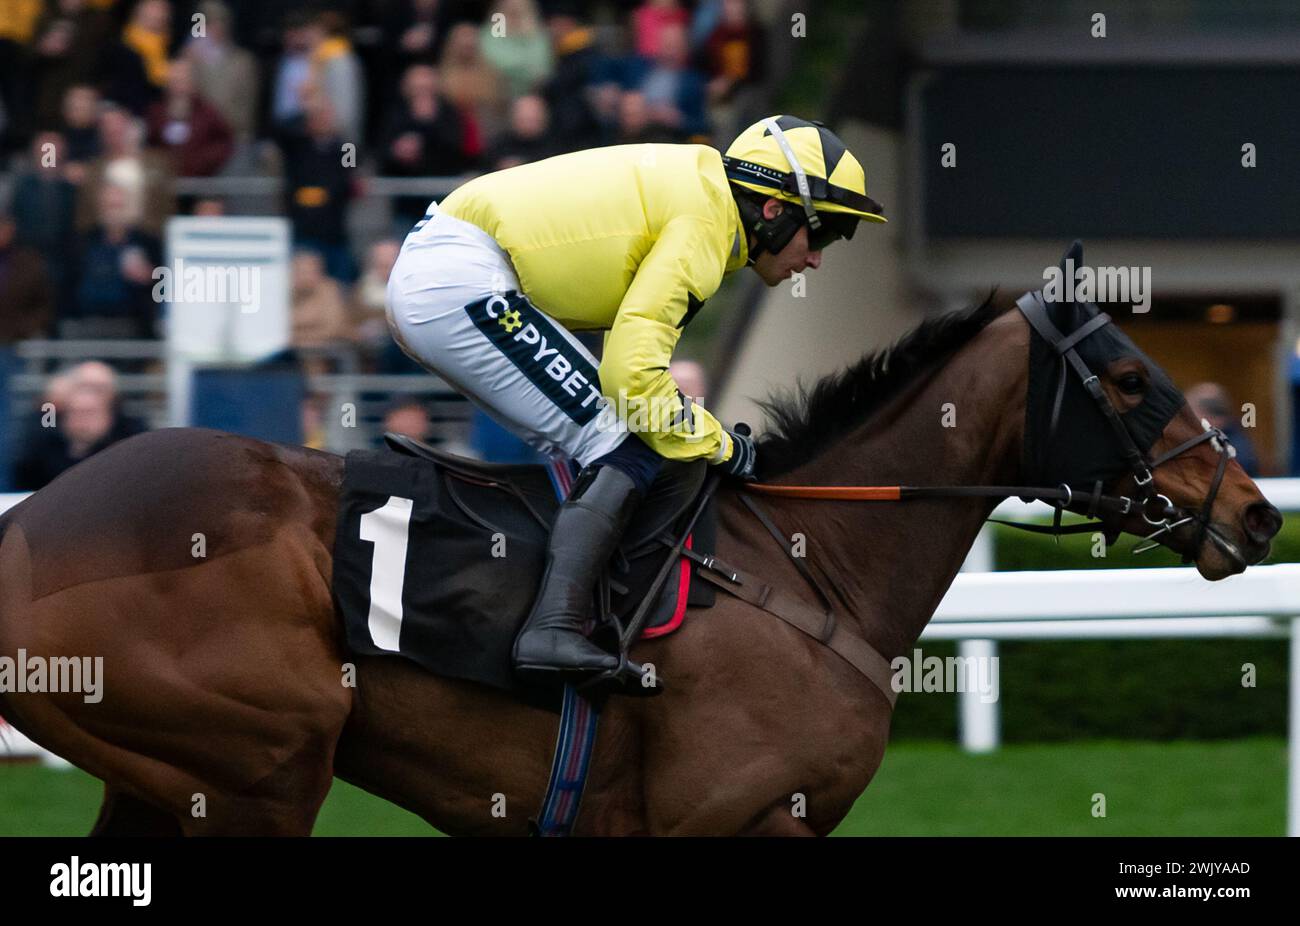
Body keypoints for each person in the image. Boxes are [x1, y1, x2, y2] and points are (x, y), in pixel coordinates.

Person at [385, 115, 886, 690]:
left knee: (620, 437)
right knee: (626, 440)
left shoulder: (704, 199)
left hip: (449, 271)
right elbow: (633, 379)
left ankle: (560, 611)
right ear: (774, 210)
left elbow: (632, 372)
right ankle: (552, 628)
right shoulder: (705, 222)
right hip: (456, 280)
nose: (817, 259)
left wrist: (698, 434)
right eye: (821, 235)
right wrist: (722, 445)